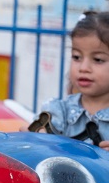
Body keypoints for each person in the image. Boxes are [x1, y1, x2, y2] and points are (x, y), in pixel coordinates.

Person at [34, 11, 109, 149]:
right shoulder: (58, 112)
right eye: (76, 57)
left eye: (98, 59)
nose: (83, 68)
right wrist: (33, 139)